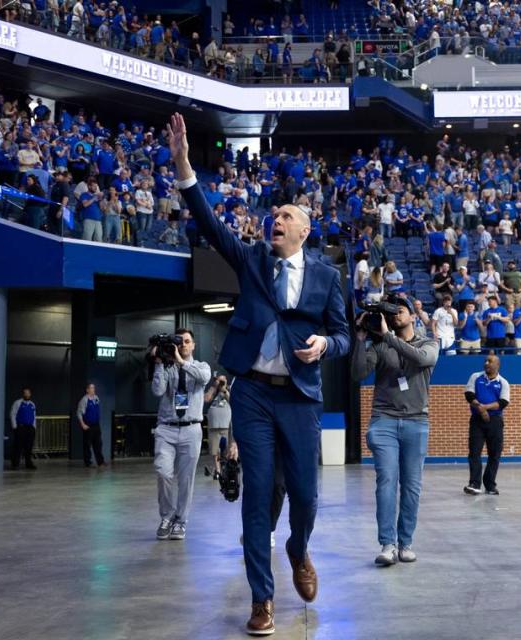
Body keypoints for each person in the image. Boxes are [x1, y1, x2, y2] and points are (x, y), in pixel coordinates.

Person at [170, 112, 350, 636]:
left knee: (306, 495)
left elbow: (343, 335)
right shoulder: (251, 259)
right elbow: (208, 223)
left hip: (300, 396)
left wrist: (326, 344)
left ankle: (298, 550)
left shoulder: (325, 275)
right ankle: (261, 599)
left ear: (305, 229)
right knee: (257, 496)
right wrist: (184, 165)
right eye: (273, 212)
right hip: (251, 394)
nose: (276, 216)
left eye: (287, 214)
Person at [352, 297, 438, 567]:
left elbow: (422, 359)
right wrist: (360, 338)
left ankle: (406, 543)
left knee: (411, 487)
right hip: (384, 421)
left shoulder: (428, 343)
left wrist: (387, 335)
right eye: (392, 313)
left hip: (416, 422)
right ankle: (387, 544)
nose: (396, 316)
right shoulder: (379, 345)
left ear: (413, 316)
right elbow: (357, 373)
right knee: (386, 482)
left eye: (400, 311)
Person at [150, 329, 210, 541]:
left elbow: (204, 378)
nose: (183, 345)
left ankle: (180, 521)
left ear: (193, 345)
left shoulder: (201, 366)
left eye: (186, 342)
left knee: (186, 480)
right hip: (166, 428)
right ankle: (166, 517)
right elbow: (157, 391)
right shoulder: (167, 367)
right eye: (179, 342)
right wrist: (159, 363)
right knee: (163, 472)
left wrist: (181, 362)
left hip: (191, 429)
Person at [463, 355, 510, 496]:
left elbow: (503, 402)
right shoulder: (475, 377)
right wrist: (480, 409)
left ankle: (490, 485)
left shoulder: (503, 382)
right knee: (474, 453)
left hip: (495, 421)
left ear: (497, 365)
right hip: (477, 420)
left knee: (494, 454)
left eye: (490, 361)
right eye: (485, 361)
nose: (486, 363)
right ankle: (474, 484)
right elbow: (469, 395)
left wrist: (485, 408)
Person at [204, 374, 231, 480]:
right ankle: (218, 470)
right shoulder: (213, 390)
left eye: (222, 380)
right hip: (214, 425)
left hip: (226, 425)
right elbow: (206, 399)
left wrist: (224, 389)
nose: (220, 383)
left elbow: (231, 399)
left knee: (226, 450)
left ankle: (227, 469)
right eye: (219, 380)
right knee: (214, 450)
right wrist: (214, 387)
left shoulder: (228, 390)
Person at [76, 383, 106, 468]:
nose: (93, 390)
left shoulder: (96, 398)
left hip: (96, 425)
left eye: (94, 388)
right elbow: (79, 413)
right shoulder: (84, 400)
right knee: (87, 445)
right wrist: (83, 424)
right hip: (88, 425)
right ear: (87, 390)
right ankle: (88, 463)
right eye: (92, 388)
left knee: (98, 444)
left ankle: (100, 462)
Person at [9, 388, 37, 471]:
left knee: (29, 447)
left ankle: (28, 463)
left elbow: (34, 416)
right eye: (25, 393)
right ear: (23, 394)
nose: (27, 395)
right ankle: (15, 464)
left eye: (28, 393)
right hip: (21, 427)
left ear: (30, 394)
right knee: (18, 446)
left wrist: (34, 427)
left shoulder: (32, 404)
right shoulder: (18, 403)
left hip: (30, 428)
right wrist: (14, 426)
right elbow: (13, 414)